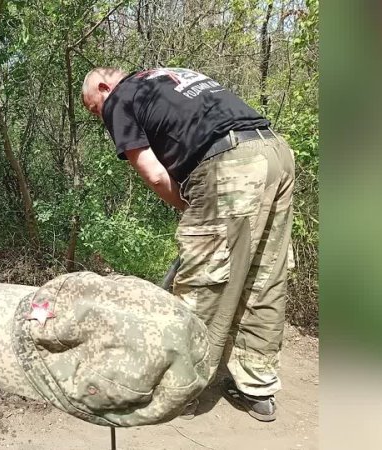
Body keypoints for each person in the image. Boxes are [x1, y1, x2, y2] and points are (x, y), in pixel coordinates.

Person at [81, 67, 295, 422]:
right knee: (263, 278)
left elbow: (154, 174)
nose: (98, 115)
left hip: (230, 165)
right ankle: (257, 389)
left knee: (201, 283)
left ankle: (179, 392)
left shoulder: (119, 98)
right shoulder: (163, 77)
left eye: (94, 107)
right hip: (276, 152)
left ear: (104, 87)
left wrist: (191, 208)